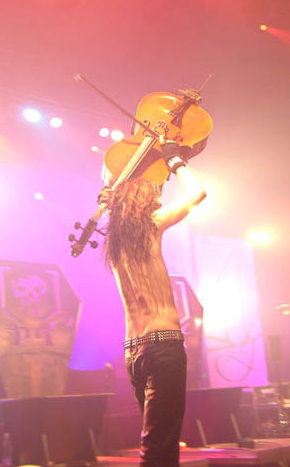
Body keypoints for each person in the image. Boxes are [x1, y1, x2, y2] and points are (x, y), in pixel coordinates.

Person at [100, 137, 206, 467]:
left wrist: (111, 190)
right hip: (163, 347)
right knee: (159, 447)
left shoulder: (114, 241)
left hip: (133, 351)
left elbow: (109, 176)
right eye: (153, 194)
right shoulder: (150, 227)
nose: (158, 197)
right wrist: (175, 161)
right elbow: (197, 193)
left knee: (156, 442)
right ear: (142, 201)